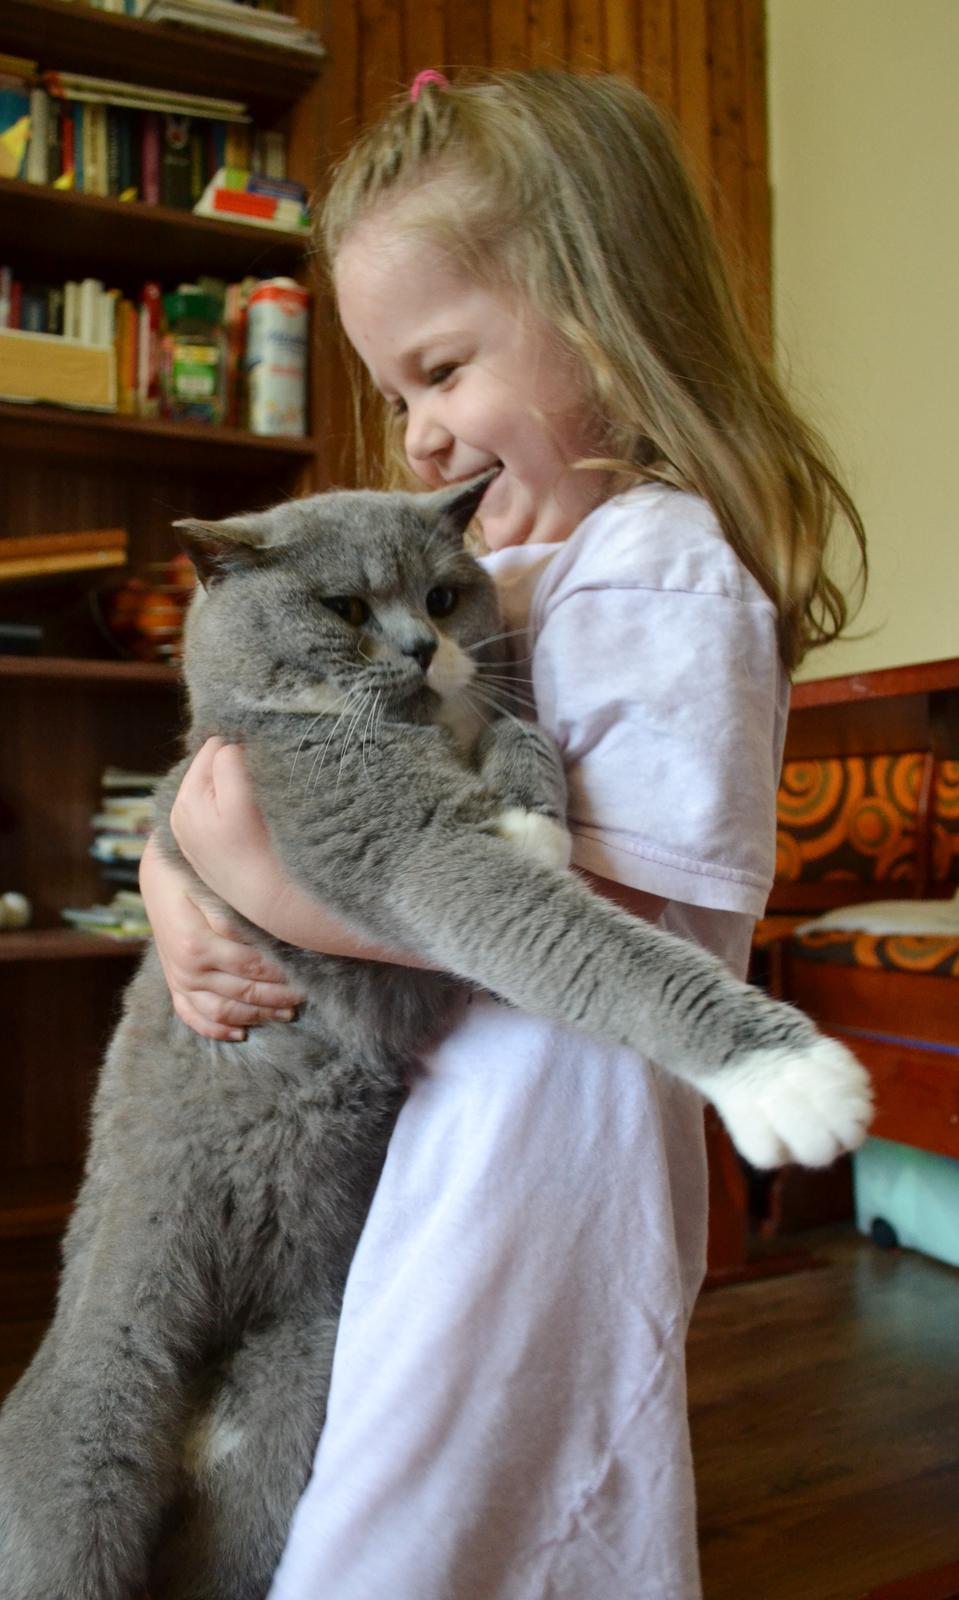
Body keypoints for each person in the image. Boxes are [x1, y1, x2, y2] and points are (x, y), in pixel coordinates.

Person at [140, 69, 866, 1599]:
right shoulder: (508, 579)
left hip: (540, 1170)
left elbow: (590, 925)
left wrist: (265, 889)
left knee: (450, 1521)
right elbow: (283, 771)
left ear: (598, 314)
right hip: (434, 1128)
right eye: (394, 396)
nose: (415, 440)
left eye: (443, 370)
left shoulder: (659, 568)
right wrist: (178, 875)